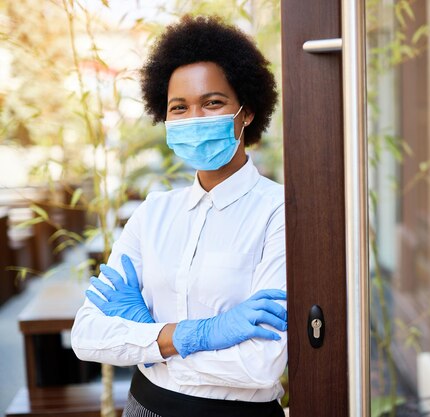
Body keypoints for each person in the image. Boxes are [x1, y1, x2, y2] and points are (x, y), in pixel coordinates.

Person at [71, 15, 287, 417]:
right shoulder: (152, 214)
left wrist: (148, 342)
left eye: (213, 102)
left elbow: (261, 365)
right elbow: (86, 336)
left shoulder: (281, 213)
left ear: (248, 112)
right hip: (143, 407)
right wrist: (195, 335)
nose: (195, 119)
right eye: (179, 108)